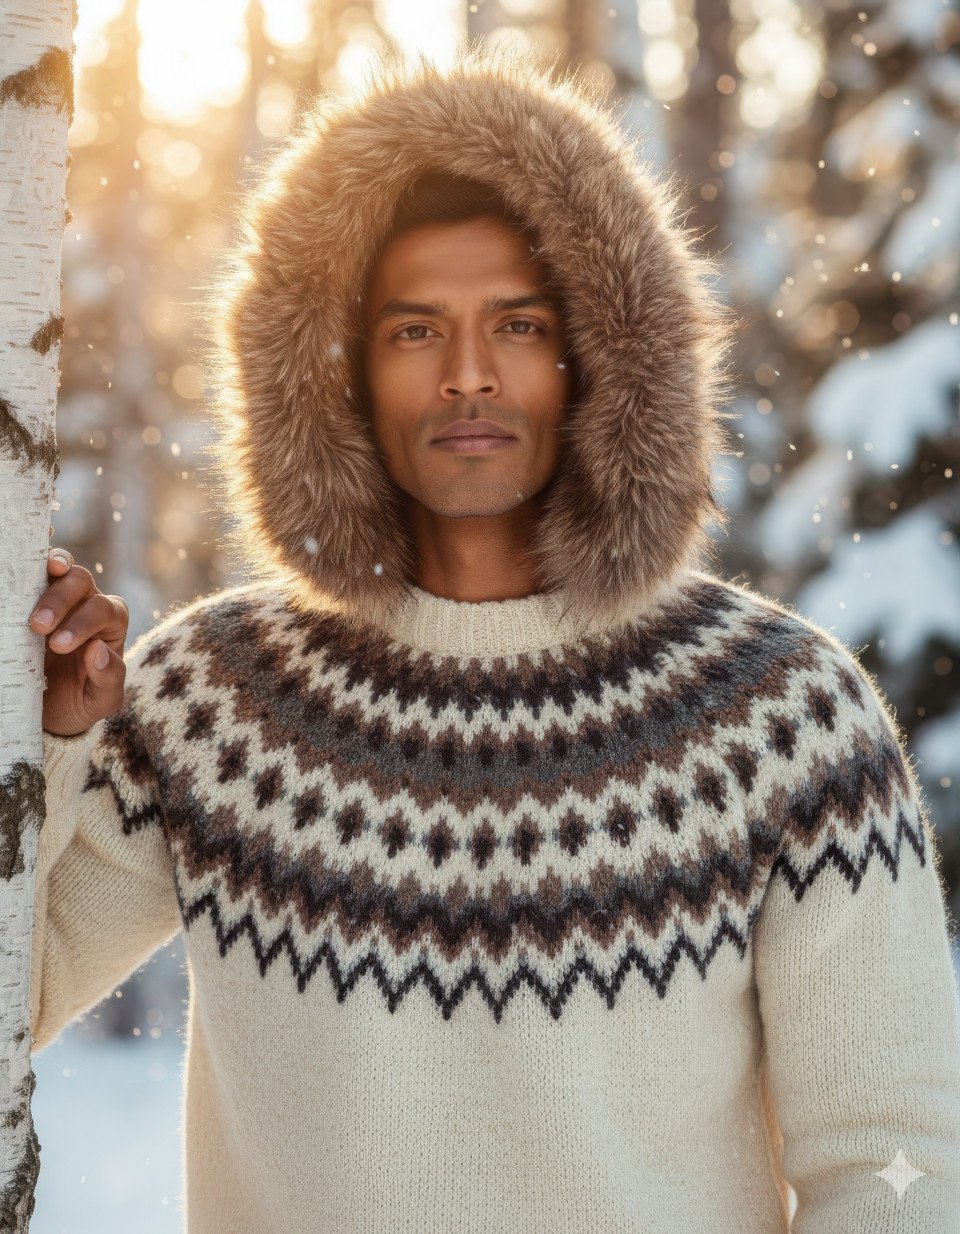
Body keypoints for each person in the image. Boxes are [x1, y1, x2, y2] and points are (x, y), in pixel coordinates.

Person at [28, 45, 960, 1234]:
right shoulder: (215, 703)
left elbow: (896, 1164)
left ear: (599, 361)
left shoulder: (782, 717)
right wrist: (47, 742)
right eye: (414, 332)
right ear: (340, 376)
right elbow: (18, 999)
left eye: (517, 324)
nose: (469, 375)